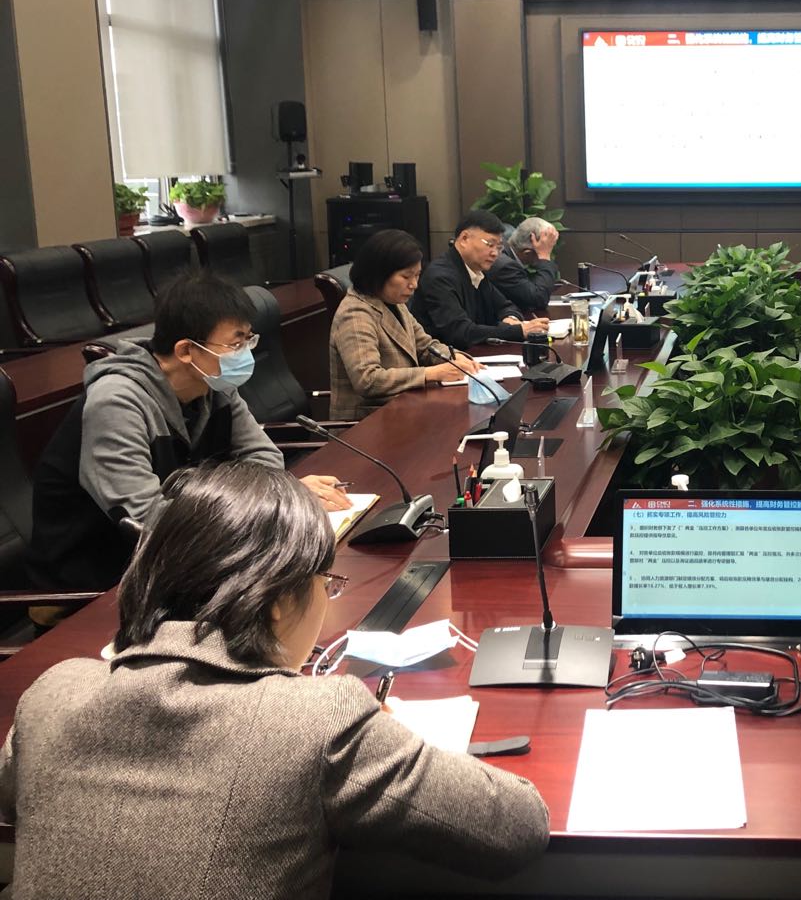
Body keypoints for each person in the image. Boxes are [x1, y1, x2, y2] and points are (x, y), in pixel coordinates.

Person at [0, 462, 549, 897]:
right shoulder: (317, 719)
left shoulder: (53, 693)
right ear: (280, 600)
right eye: (326, 582)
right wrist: (400, 740)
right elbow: (517, 828)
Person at [26, 273, 350, 594]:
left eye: (248, 340)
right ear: (185, 350)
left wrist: (279, 497)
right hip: (97, 586)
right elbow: (148, 519)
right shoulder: (116, 402)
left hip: (178, 564)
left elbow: (264, 458)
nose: (245, 354)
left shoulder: (215, 386)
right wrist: (267, 505)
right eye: (235, 343)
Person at [329, 229, 480, 421]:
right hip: (367, 424)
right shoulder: (355, 313)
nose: (414, 284)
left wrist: (454, 357)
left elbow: (425, 346)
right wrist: (431, 373)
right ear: (379, 273)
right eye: (406, 276)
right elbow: (368, 380)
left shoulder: (394, 303)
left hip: (404, 411)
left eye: (417, 275)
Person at [410, 210, 550, 349]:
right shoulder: (440, 277)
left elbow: (506, 306)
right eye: (490, 244)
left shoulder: (475, 271)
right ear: (464, 238)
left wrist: (510, 319)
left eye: (499, 247)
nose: (495, 253)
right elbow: (460, 332)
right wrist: (518, 331)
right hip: (445, 358)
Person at [489, 216, 562, 315]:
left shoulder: (505, 249)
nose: (549, 252)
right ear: (527, 253)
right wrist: (544, 257)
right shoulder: (505, 267)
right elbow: (539, 299)